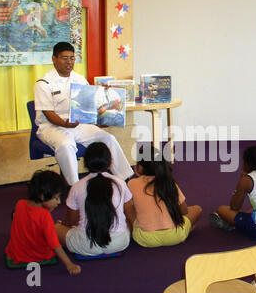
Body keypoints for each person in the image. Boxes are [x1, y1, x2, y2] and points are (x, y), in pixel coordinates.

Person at [33, 41, 134, 186]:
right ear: (54, 59)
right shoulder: (44, 83)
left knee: (108, 138)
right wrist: (65, 124)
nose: (69, 62)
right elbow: (49, 114)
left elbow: (91, 105)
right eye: (64, 58)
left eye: (72, 58)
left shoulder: (79, 79)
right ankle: (75, 186)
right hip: (51, 127)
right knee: (66, 145)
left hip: (78, 125)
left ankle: (125, 178)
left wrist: (105, 95)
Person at [55, 142, 132, 256]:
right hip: (120, 242)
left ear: (85, 163)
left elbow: (71, 220)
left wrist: (64, 225)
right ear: (110, 162)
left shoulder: (77, 187)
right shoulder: (120, 183)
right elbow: (129, 213)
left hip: (86, 244)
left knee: (55, 228)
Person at [5, 170, 81, 275]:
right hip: (39, 256)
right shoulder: (45, 216)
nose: (59, 202)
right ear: (42, 196)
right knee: (58, 233)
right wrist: (69, 264)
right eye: (56, 198)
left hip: (16, 254)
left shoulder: (20, 203)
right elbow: (54, 244)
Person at [126, 145, 202, 247]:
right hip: (175, 236)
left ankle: (133, 233)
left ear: (141, 167)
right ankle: (186, 229)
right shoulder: (169, 182)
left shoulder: (132, 183)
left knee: (127, 206)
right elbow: (184, 211)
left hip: (145, 239)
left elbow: (128, 209)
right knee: (197, 209)